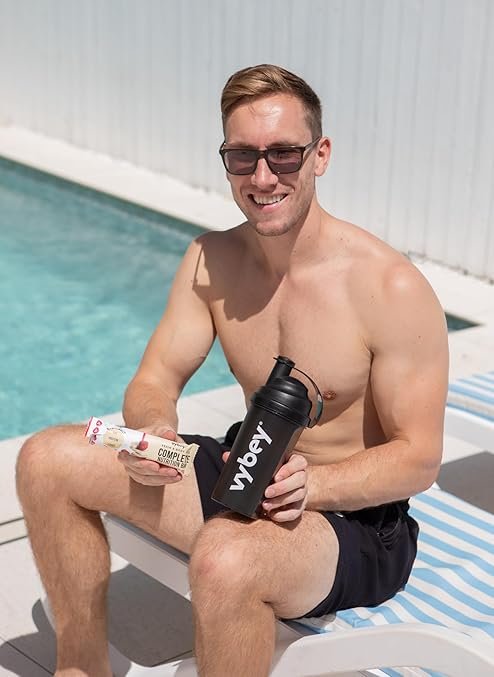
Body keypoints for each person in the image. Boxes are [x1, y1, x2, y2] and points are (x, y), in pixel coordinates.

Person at [16, 64, 449, 677]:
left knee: (224, 557)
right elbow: (155, 378)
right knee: (45, 460)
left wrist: (314, 487)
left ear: (320, 155)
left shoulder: (389, 287)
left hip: (351, 521)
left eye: (284, 154)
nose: (263, 177)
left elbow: (419, 458)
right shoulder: (211, 259)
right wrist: (155, 431)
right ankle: (80, 667)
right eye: (243, 156)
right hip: (243, 474)